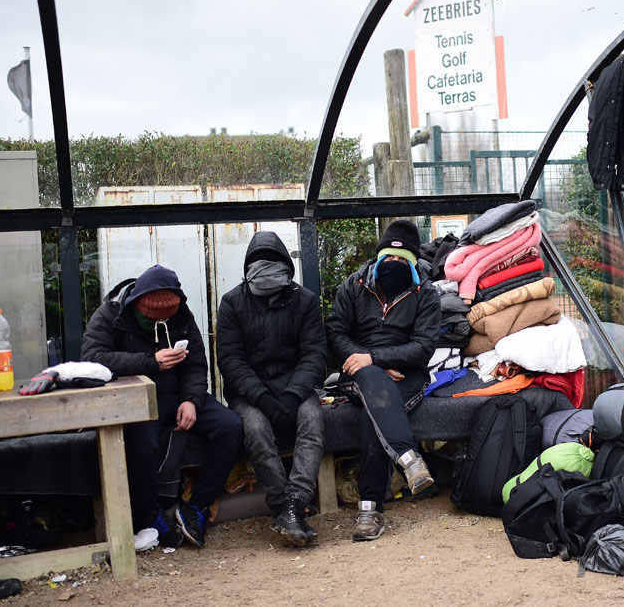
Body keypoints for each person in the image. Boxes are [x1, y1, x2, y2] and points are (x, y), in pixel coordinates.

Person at [81, 264, 242, 549]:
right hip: (136, 400)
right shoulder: (110, 314)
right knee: (141, 444)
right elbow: (93, 358)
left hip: (178, 394)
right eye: (152, 316)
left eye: (167, 315)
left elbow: (195, 363)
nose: (161, 320)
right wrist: (150, 361)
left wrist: (192, 400)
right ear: (136, 304)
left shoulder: (181, 314)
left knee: (230, 427)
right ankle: (149, 515)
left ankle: (196, 507)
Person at [325, 219, 442, 542]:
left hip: (406, 376)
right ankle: (410, 460)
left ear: (413, 264)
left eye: (402, 260)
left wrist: (376, 360)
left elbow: (423, 347)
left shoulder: (426, 295)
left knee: (372, 414)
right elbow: (335, 332)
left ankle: (370, 509)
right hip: (355, 372)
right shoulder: (354, 285)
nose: (394, 263)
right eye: (388, 257)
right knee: (373, 391)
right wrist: (366, 363)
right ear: (378, 258)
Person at [216, 231, 327, 547]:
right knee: (255, 428)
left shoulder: (304, 300)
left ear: (287, 269)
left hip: (295, 386)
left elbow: (314, 354)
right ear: (248, 270)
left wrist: (292, 396)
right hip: (250, 393)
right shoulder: (232, 303)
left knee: (312, 421)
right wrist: (262, 397)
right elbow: (231, 360)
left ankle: (295, 501)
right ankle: (286, 506)